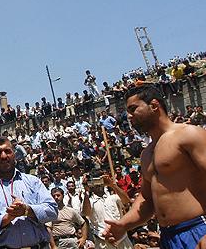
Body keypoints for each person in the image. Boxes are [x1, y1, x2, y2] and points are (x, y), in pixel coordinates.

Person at [103, 84, 206, 249]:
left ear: (154, 105)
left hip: (197, 229)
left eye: (133, 109)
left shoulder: (189, 135)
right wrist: (124, 224)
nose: (129, 116)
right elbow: (146, 199)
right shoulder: (147, 154)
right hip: (168, 237)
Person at [0, 136, 58, 248]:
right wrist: (7, 217)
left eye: (7, 151)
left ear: (14, 154)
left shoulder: (33, 181)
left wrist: (27, 210)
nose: (4, 156)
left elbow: (52, 211)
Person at [82, 174, 133, 249]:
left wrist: (112, 185)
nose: (98, 185)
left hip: (122, 238)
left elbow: (126, 201)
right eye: (95, 182)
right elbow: (86, 212)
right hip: (103, 241)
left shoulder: (113, 197)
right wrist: (86, 191)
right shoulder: (90, 201)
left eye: (99, 181)